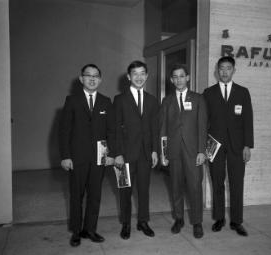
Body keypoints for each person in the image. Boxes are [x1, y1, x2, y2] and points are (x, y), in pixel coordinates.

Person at [59, 64, 115, 247]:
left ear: (100, 79)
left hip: (99, 158)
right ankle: (76, 231)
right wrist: (65, 156)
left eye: (96, 76)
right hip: (77, 158)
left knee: (95, 195)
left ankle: (90, 229)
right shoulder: (72, 100)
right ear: (81, 78)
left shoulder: (106, 101)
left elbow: (111, 131)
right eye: (88, 75)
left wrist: (112, 154)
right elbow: (64, 131)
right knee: (76, 195)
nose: (92, 79)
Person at [203, 56, 254, 236]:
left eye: (228, 68)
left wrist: (247, 145)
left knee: (236, 183)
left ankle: (236, 221)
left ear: (234, 70)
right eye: (221, 69)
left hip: (237, 146)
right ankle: (219, 218)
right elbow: (204, 121)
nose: (224, 72)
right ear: (217, 71)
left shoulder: (242, 92)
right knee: (217, 182)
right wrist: (203, 147)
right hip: (214, 145)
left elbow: (248, 120)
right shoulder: (208, 93)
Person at [159, 64, 207, 238]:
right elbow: (162, 129)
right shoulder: (167, 101)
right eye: (175, 77)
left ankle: (197, 222)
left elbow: (202, 127)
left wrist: (202, 151)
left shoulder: (198, 99)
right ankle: (178, 218)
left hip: (193, 151)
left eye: (182, 76)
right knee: (176, 186)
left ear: (188, 78)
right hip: (173, 151)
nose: (178, 79)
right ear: (171, 80)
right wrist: (164, 153)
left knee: (195, 186)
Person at [114, 60, 159, 240]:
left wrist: (155, 150)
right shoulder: (119, 100)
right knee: (125, 189)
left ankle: (143, 221)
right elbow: (114, 129)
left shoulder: (152, 100)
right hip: (124, 154)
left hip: (145, 154)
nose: (139, 77)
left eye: (142, 73)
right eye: (135, 74)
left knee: (144, 189)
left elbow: (155, 128)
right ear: (128, 77)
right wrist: (116, 153)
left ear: (146, 76)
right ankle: (126, 223)